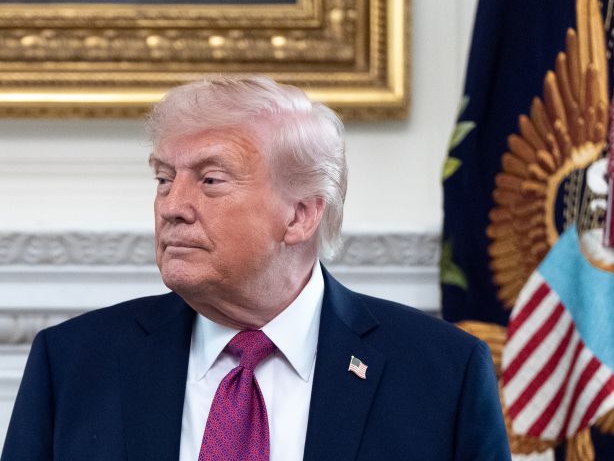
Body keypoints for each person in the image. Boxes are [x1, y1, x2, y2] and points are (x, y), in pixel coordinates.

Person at [0, 76, 510, 461]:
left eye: (211, 180)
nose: (171, 206)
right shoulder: (72, 363)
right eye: (163, 179)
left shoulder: (442, 373)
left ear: (300, 214)